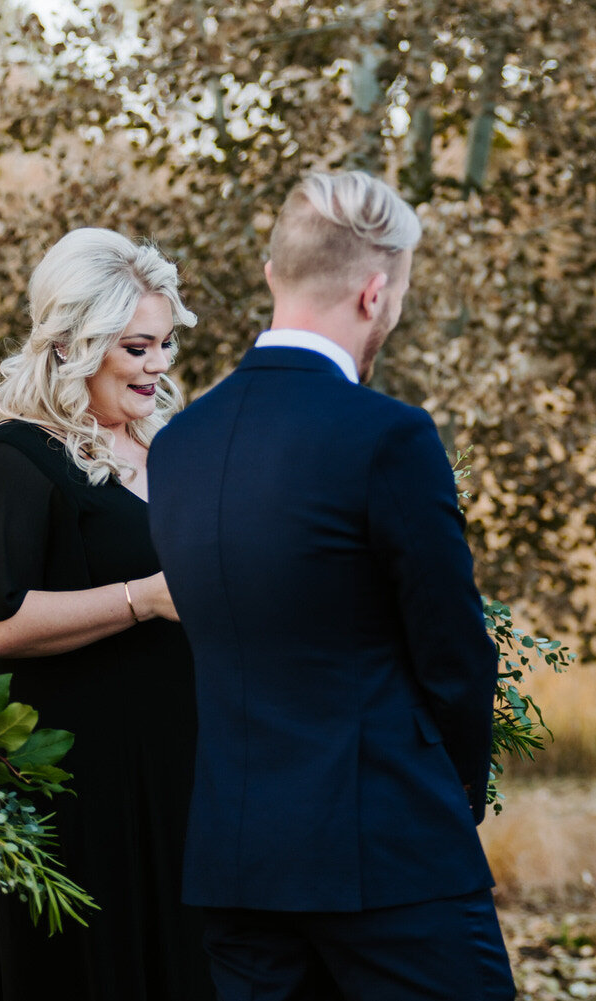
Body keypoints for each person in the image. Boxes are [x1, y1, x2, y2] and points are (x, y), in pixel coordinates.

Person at [147, 170, 514, 1000]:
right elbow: (455, 652)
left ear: (275, 272)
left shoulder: (180, 444)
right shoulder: (388, 436)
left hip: (237, 860)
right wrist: (450, 790)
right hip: (387, 851)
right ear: (376, 292)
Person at [0, 228, 214, 1001]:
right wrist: (142, 598)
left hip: (185, 778)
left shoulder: (170, 452)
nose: (158, 366)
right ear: (71, 346)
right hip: (76, 794)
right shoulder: (13, 460)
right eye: (136, 347)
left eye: (163, 345)